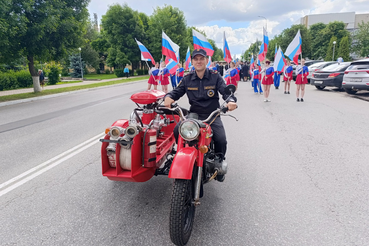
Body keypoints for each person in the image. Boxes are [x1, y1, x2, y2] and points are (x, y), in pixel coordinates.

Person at [164, 48, 237, 182]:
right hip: (194, 115)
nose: (199, 61)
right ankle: (181, 153)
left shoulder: (215, 76)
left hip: (212, 115)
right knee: (177, 130)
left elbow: (225, 92)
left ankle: (219, 164)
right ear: (192, 61)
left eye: (201, 58)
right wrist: (168, 98)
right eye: (196, 59)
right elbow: (176, 92)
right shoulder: (187, 79)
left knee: (221, 139)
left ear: (206, 60)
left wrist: (230, 101)